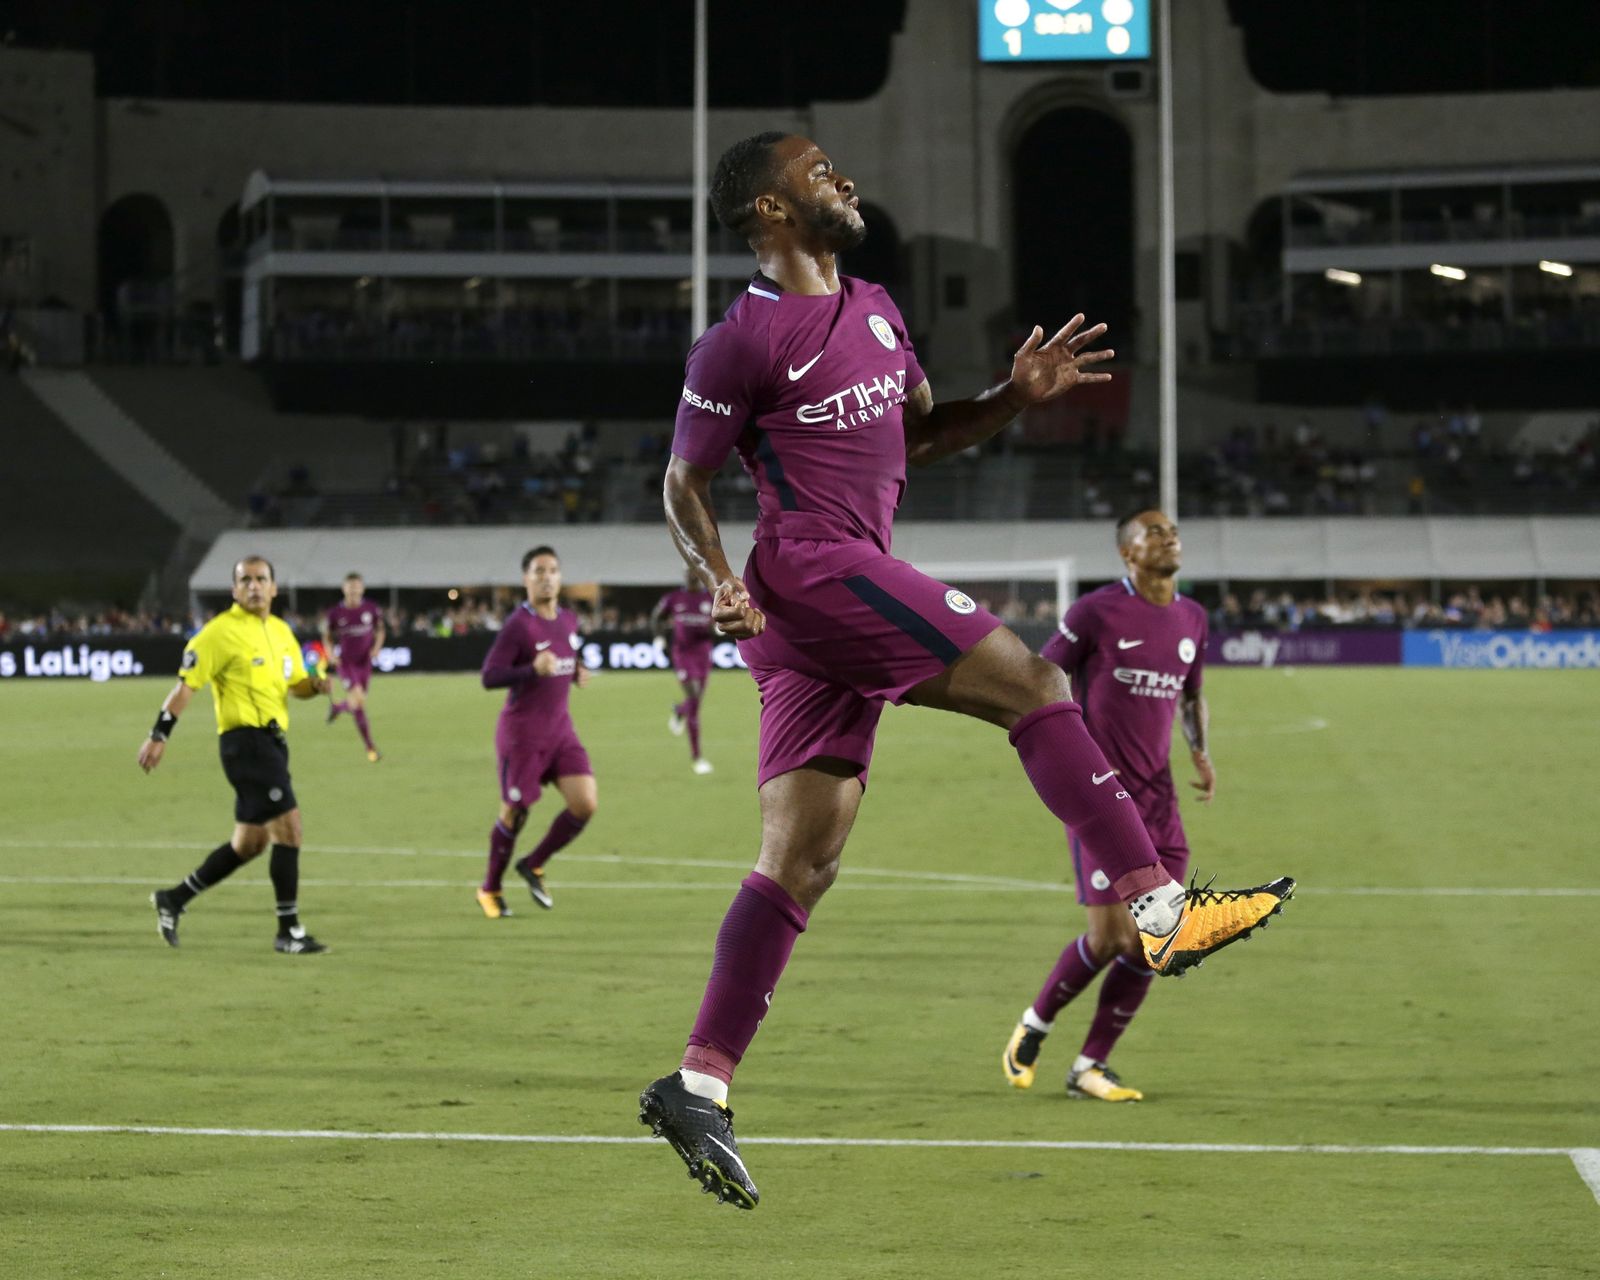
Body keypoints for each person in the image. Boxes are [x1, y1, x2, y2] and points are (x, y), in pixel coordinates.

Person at [636, 132, 1295, 1210]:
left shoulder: (882, 309)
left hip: (835, 590)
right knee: (1037, 686)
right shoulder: (736, 343)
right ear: (766, 211)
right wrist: (714, 573)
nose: (839, 177)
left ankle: (697, 1080)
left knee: (801, 859)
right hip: (808, 568)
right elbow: (682, 480)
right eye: (814, 171)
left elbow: (920, 436)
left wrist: (1012, 396)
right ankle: (1158, 903)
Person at [1001, 510, 1214, 1103]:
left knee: (1159, 938)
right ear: (1127, 553)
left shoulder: (1193, 617)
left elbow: (1193, 694)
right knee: (1112, 938)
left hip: (1161, 801)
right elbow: (1039, 675)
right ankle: (1035, 1024)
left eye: (1174, 529)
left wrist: (1201, 753)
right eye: (1154, 532)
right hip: (1101, 797)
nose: (1170, 536)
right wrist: (1061, 753)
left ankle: (1090, 1066)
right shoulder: (1095, 613)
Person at [137, 556, 331, 954]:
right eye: (246, 580)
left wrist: (314, 685)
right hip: (246, 743)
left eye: (261, 579)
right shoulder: (218, 634)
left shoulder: (280, 632)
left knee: (250, 843)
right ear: (234, 589)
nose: (254, 586)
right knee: (290, 830)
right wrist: (159, 735)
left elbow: (295, 684)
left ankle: (173, 899)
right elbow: (185, 687)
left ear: (275, 588)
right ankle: (288, 932)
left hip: (273, 744)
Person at [475, 546, 598, 919]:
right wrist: (531, 669)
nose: (547, 577)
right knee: (516, 811)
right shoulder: (519, 624)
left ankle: (534, 863)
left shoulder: (569, 619)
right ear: (526, 578)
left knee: (585, 804)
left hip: (561, 731)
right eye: (539, 571)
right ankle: (489, 889)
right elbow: (490, 676)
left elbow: (564, 656)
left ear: (561, 577)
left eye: (553, 570)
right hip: (522, 735)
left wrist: (575, 670)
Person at [650, 568, 717, 774]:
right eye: (688, 575)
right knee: (694, 698)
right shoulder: (674, 598)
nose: (691, 578)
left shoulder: (709, 598)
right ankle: (697, 758)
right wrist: (659, 637)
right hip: (682, 654)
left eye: (695, 575)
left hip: (703, 654)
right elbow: (656, 617)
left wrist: (717, 628)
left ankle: (679, 711)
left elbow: (717, 625)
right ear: (685, 576)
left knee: (695, 701)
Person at [321, 571, 385, 762]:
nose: (354, 590)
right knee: (358, 702)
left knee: (358, 702)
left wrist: (376, 648)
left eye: (357, 587)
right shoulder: (335, 613)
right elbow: (327, 636)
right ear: (344, 589)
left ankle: (338, 708)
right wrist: (330, 653)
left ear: (362, 588)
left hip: (365, 663)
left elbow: (380, 630)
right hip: (346, 663)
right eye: (350, 587)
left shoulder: (371, 609)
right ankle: (370, 747)